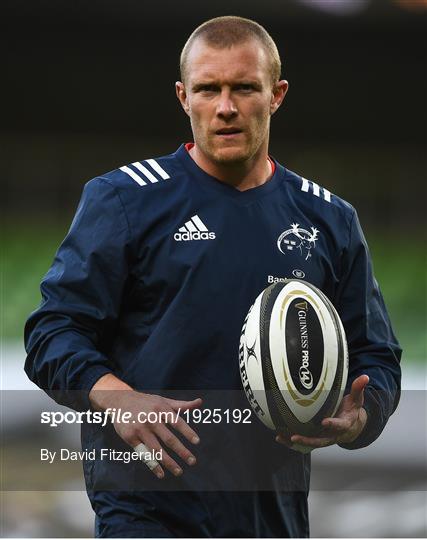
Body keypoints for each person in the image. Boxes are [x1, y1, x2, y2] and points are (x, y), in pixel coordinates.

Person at [24, 16, 402, 538]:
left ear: (277, 95)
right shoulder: (124, 199)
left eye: (244, 88)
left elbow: (376, 357)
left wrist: (359, 419)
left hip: (272, 516)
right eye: (208, 89)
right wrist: (117, 396)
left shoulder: (329, 219)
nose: (225, 107)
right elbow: (51, 332)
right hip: (146, 511)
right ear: (184, 97)